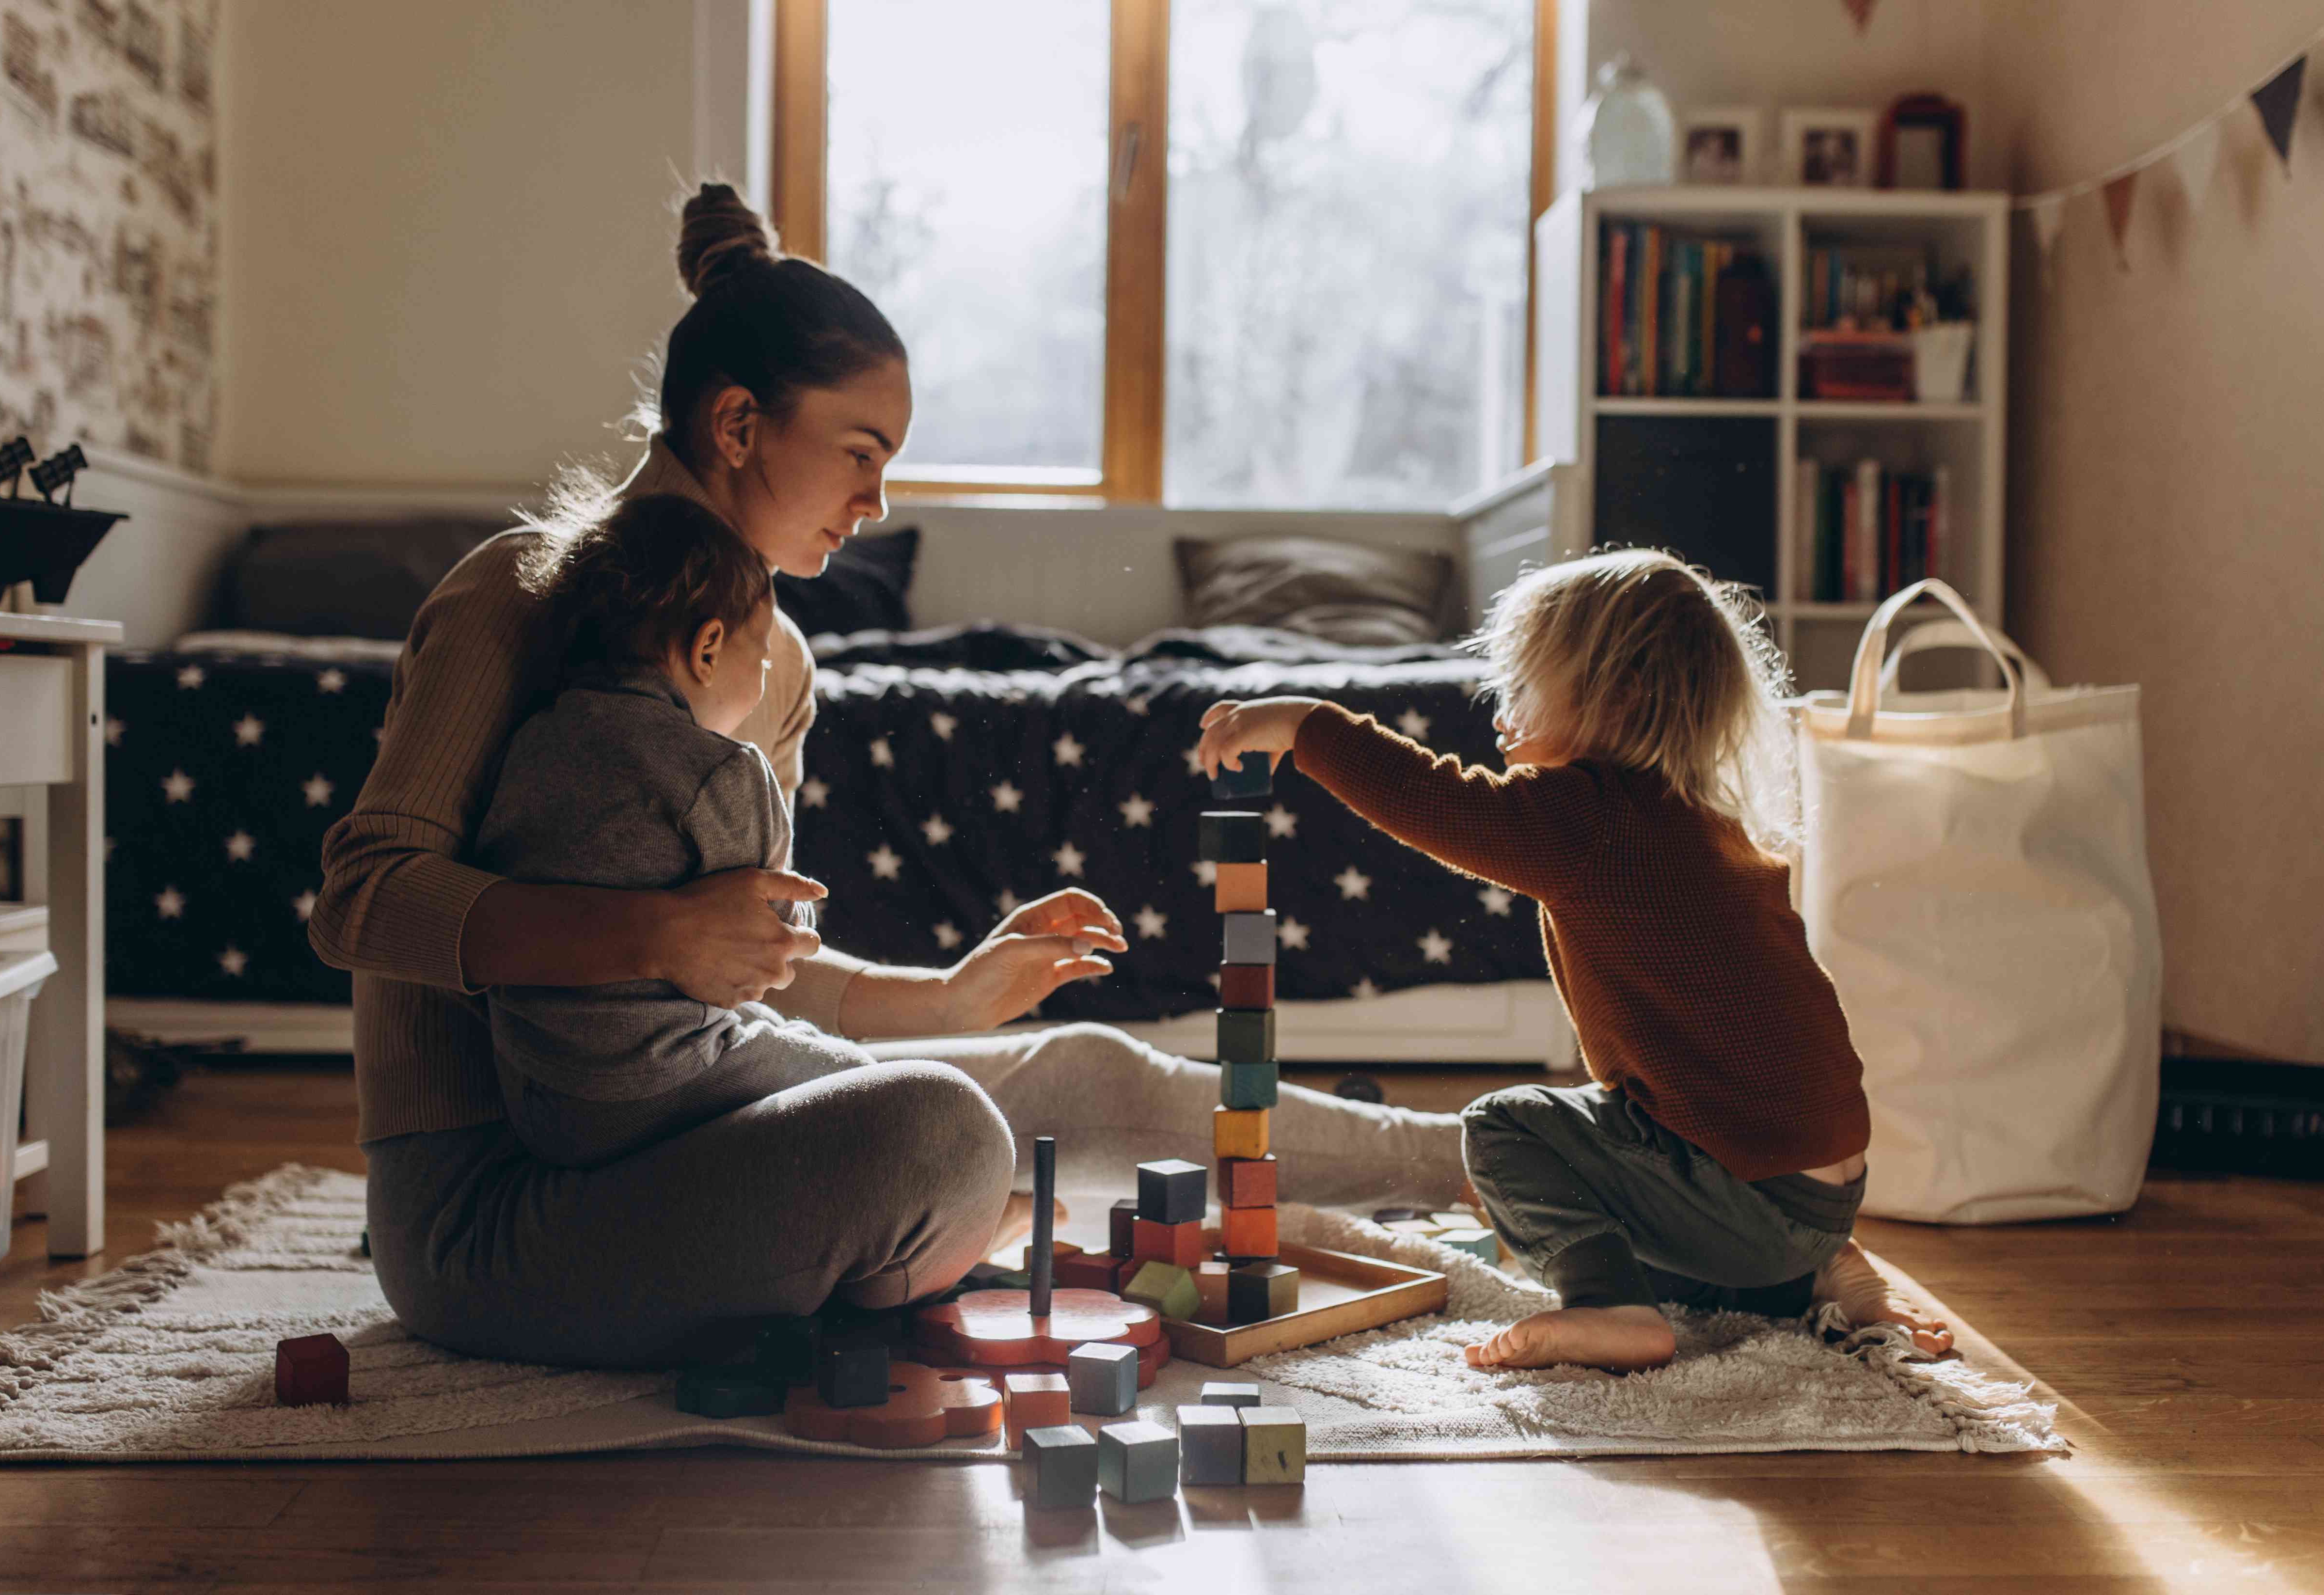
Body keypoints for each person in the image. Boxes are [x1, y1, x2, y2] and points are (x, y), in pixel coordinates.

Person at [309, 181, 1467, 1370]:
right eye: (860, 455)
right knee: (934, 1136)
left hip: (689, 1122)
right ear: (738, 424)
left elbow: (750, 967)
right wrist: (650, 934)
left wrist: (950, 998)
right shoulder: (516, 591)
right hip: (493, 1210)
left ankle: (1480, 1161)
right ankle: (901, 1252)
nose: (876, 504)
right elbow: (361, 899)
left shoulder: (780, 664)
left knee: (1079, 1067)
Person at [1194, 548, 1955, 1373]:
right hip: (1822, 1188)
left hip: (1750, 1192)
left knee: (1506, 1129)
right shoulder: (1702, 819)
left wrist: (1307, 724)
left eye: (1522, 690)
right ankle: (1810, 1272)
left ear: (1614, 698)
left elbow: (1436, 799)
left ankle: (1613, 1309)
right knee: (1609, 1174)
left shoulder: (1592, 817)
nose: (1500, 716)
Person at [475, 493, 885, 1170]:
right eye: (760, 663)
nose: (760, 684)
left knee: (762, 1034)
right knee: (869, 1083)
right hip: (664, 1076)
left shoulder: (531, 739)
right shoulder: (721, 769)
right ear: (708, 649)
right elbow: (779, 930)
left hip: (540, 1094)